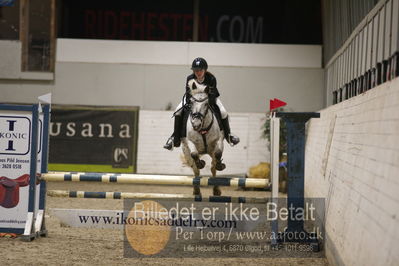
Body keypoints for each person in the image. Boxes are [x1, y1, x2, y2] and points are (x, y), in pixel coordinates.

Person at [164, 57, 240, 150]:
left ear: (205, 70)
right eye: (196, 70)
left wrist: (208, 102)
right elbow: (188, 93)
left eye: (200, 70)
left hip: (209, 99)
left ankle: (229, 136)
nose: (198, 73)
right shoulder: (190, 78)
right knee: (177, 111)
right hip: (193, 99)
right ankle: (174, 138)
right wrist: (190, 102)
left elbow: (213, 94)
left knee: (223, 112)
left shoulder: (211, 78)